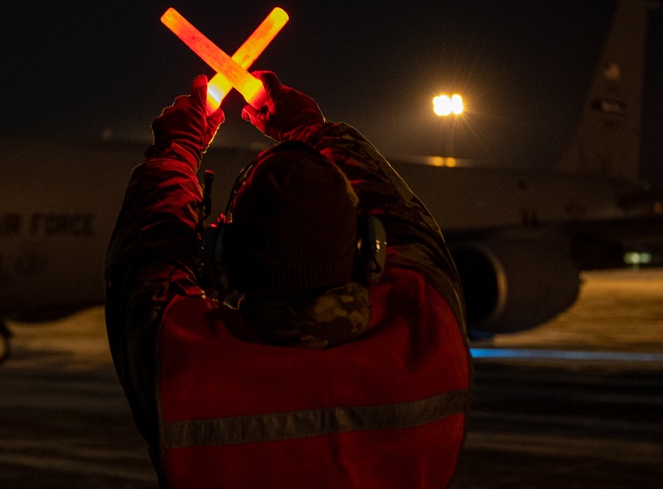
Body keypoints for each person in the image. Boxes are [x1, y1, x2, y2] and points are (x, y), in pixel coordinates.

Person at [105, 72, 471, 488]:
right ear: (367, 247)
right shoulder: (427, 337)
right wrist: (312, 129)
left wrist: (175, 150)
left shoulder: (184, 366)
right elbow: (413, 227)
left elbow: (145, 258)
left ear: (223, 257)